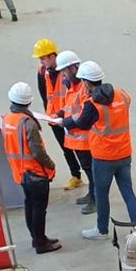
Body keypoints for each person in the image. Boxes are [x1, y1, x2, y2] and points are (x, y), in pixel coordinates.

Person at [59, 60, 136, 240]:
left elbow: (82, 123)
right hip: (124, 153)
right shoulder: (122, 94)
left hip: (103, 157)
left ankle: (102, 230)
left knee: (101, 194)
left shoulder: (92, 105)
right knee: (128, 192)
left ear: (86, 82)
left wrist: (64, 122)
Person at [3, 82, 59, 254]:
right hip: (35, 173)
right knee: (39, 209)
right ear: (28, 101)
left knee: (30, 205)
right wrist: (51, 164)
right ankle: (41, 243)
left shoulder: (8, 119)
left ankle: (37, 237)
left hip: (20, 172)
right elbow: (37, 151)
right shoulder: (28, 123)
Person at [34, 38, 83, 190]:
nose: (41, 62)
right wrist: (49, 115)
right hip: (54, 117)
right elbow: (44, 94)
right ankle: (76, 175)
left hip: (69, 116)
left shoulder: (67, 70)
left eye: (43, 58)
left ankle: (90, 174)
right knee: (65, 148)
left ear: (52, 56)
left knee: (79, 146)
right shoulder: (42, 71)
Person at [56, 50, 96, 213]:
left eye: (64, 71)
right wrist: (61, 113)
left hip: (85, 139)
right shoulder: (71, 87)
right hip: (76, 139)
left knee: (91, 170)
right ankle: (92, 194)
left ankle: (95, 199)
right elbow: (71, 107)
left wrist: (65, 121)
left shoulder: (84, 88)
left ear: (73, 68)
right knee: (87, 169)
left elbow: (83, 115)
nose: (63, 75)